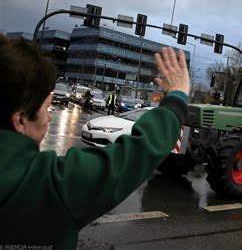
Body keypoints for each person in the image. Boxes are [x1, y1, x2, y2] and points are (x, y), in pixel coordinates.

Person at [0, 33, 190, 249]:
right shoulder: (46, 186)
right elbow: (133, 155)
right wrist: (176, 97)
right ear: (21, 119)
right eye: (46, 107)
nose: (50, 116)